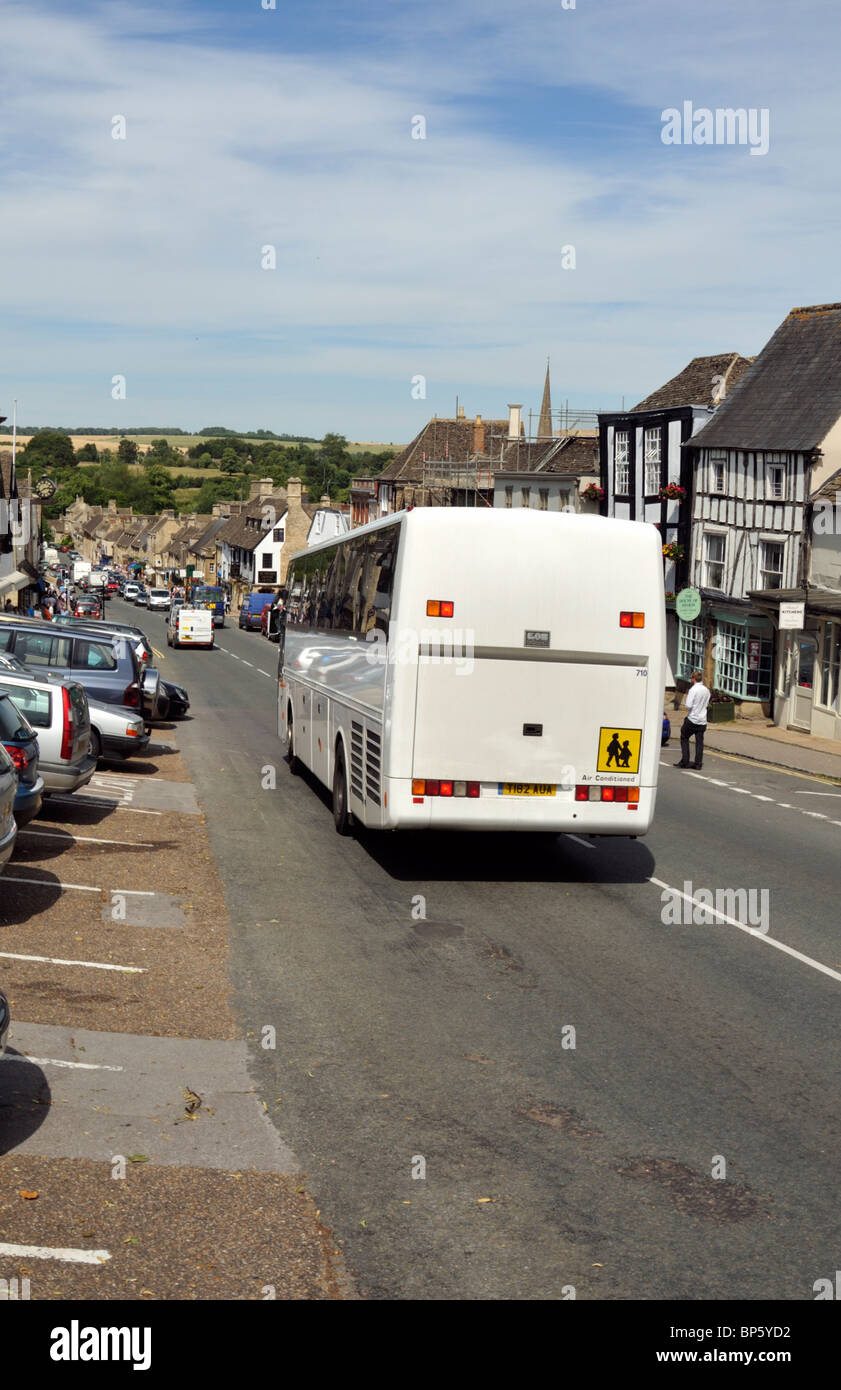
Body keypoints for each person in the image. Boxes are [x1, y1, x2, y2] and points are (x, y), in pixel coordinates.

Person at [675, 669, 711, 769]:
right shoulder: (706, 690)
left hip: (692, 719)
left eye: (691, 678)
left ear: (693, 679)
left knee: (684, 737)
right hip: (702, 720)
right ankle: (698, 764)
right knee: (699, 742)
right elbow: (706, 704)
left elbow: (688, 706)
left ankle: (685, 761)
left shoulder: (693, 690)